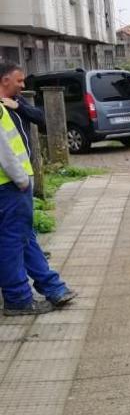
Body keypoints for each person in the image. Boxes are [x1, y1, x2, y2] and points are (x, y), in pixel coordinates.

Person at [0, 61, 76, 316]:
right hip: (10, 185)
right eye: (19, 80)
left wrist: (19, 106)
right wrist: (22, 180)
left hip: (14, 185)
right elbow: (5, 153)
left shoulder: (13, 104)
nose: (23, 85)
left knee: (25, 238)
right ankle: (17, 299)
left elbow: (42, 118)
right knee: (12, 242)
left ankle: (53, 288)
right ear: (4, 80)